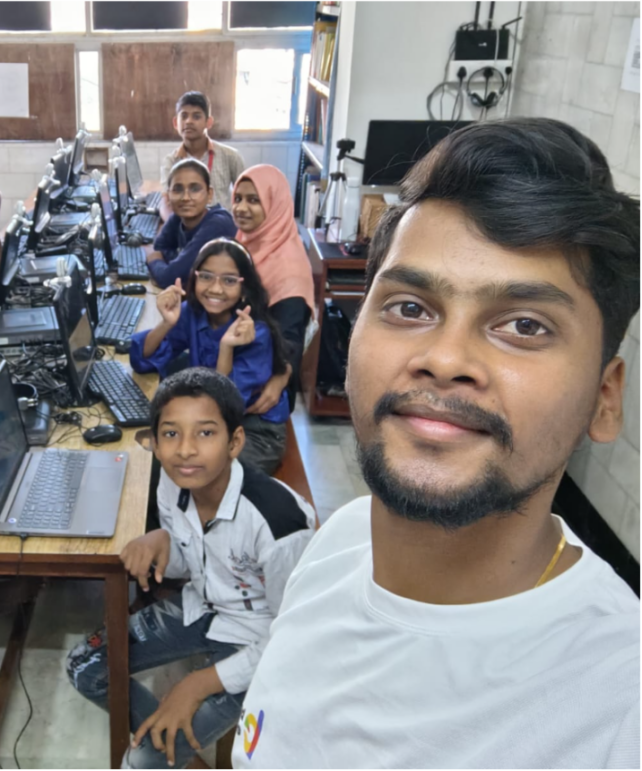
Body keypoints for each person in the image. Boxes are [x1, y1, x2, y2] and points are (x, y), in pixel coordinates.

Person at [233, 119, 641, 769]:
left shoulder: (618, 712)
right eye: (411, 308)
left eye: (525, 324)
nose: (446, 358)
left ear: (605, 397)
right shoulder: (338, 543)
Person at [66, 368, 314, 769]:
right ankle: (182, 754)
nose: (184, 450)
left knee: (140, 763)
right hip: (204, 605)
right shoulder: (173, 481)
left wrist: (199, 683)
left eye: (205, 433)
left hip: (260, 641)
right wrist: (161, 541)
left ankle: (167, 748)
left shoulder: (277, 525)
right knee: (84, 667)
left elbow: (294, 638)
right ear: (155, 442)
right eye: (170, 433)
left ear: (234, 442)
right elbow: (196, 557)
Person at [132, 238, 290, 474]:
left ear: (245, 288)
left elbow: (223, 404)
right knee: (154, 465)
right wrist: (166, 324)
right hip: (208, 422)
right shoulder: (195, 313)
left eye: (228, 281)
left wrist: (226, 347)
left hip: (253, 431)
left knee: (192, 473)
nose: (215, 289)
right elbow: (141, 360)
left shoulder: (256, 333)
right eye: (205, 277)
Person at [232, 164, 317, 413]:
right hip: (239, 366)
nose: (241, 208)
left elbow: (290, 341)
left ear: (274, 205)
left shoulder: (288, 269)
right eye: (237, 199)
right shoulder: (244, 243)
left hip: (266, 394)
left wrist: (279, 381)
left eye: (254, 200)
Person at [147, 158, 237, 290]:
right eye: (177, 190)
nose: (185, 198)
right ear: (168, 195)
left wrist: (155, 261)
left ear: (209, 194)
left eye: (195, 189)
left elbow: (171, 278)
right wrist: (180, 261)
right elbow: (159, 247)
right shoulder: (179, 216)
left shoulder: (218, 225)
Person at [159, 91, 244, 214]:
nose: (189, 121)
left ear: (209, 122)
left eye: (196, 116)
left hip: (223, 226)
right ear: (175, 123)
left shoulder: (231, 157)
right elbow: (165, 202)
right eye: (184, 116)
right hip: (188, 226)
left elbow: (245, 197)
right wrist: (174, 227)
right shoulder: (171, 161)